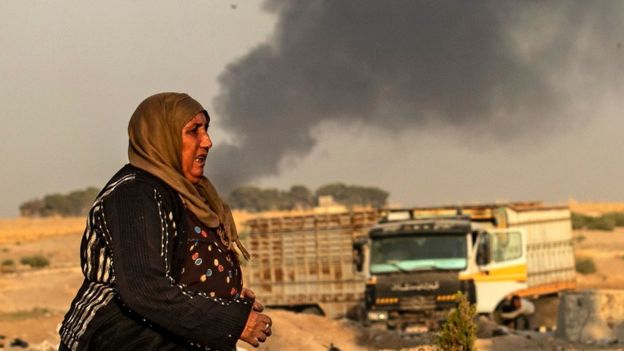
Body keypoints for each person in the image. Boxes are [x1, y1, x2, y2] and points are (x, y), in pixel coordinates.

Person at [58, 93, 271, 351]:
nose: (208, 141)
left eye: (206, 130)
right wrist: (230, 321)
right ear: (162, 137)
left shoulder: (190, 195)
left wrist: (225, 299)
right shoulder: (136, 194)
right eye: (194, 131)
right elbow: (146, 288)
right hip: (126, 339)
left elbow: (183, 269)